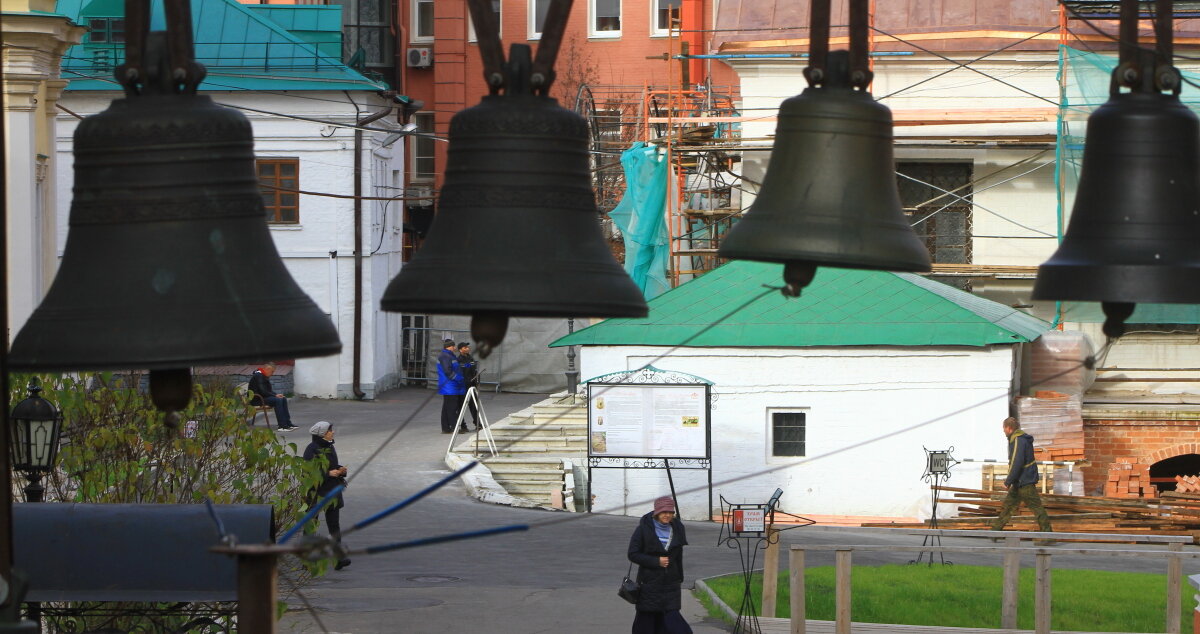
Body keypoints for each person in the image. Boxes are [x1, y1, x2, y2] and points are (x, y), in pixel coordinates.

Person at [627, 496, 692, 634]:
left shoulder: (678, 528)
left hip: (671, 585)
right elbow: (633, 554)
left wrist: (679, 577)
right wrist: (656, 561)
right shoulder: (644, 529)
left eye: (670, 512)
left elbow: (678, 557)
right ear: (656, 512)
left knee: (675, 624)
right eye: (664, 512)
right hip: (649, 585)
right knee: (646, 624)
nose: (667, 515)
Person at [991, 417, 1053, 541]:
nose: (1003, 431)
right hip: (1019, 481)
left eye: (1004, 428)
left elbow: (1016, 462)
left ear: (1009, 428)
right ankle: (994, 532)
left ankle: (1048, 536)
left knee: (1037, 508)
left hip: (1024, 481)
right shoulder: (1019, 439)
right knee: (1008, 506)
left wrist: (1008, 481)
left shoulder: (1018, 440)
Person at [303, 421, 352, 570]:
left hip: (332, 491)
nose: (333, 432)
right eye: (330, 430)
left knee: (334, 526)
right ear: (322, 433)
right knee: (311, 525)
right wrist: (328, 474)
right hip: (316, 493)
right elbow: (308, 472)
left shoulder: (329, 446)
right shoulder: (311, 449)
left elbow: (331, 465)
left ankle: (339, 559)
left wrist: (340, 469)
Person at [249, 363, 297, 431]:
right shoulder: (259, 376)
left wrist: (276, 395)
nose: (272, 374)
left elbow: (267, 391)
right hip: (257, 400)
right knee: (278, 400)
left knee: (282, 398)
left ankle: (288, 423)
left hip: (262, 397)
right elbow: (263, 391)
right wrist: (275, 395)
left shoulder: (262, 375)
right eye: (272, 371)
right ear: (267, 369)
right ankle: (282, 426)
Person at [437, 339, 465, 433]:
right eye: (453, 346)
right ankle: (454, 427)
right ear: (449, 346)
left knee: (447, 407)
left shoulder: (449, 355)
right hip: (449, 386)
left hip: (450, 386)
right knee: (452, 408)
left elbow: (454, 367)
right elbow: (448, 371)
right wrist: (458, 378)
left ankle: (446, 428)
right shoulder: (445, 356)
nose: (454, 348)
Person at [458, 342, 481, 430]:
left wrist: (476, 380)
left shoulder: (470, 358)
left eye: (467, 347)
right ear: (460, 350)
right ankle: (462, 425)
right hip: (463, 385)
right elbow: (464, 369)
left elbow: (474, 369)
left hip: (472, 385)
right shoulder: (459, 360)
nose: (467, 348)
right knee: (462, 406)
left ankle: (478, 423)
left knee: (474, 405)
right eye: (465, 347)